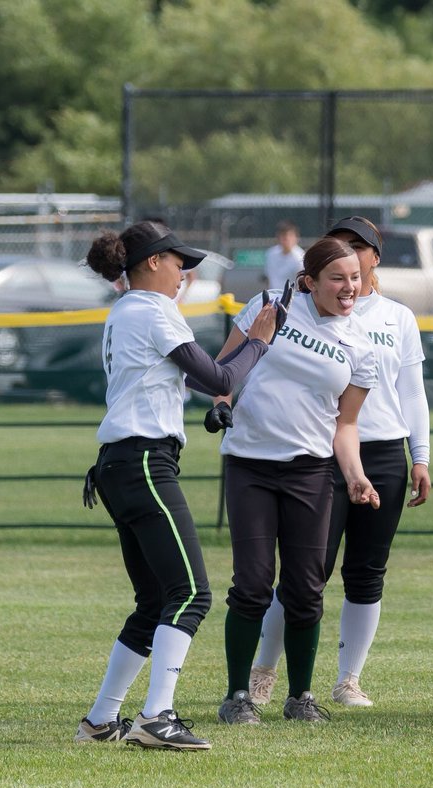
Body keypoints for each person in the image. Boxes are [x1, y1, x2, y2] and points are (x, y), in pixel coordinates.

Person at [76, 220, 278, 750]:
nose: (184, 272)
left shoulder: (124, 313)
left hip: (120, 464)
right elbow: (218, 378)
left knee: (153, 602)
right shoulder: (151, 309)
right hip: (144, 461)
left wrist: (211, 405)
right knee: (191, 594)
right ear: (149, 264)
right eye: (176, 261)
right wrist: (258, 342)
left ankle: (101, 720)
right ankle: (156, 716)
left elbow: (186, 380)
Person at [249, 216, 432, 709]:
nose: (349, 256)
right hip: (322, 449)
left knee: (368, 571)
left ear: (375, 258)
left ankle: (348, 679)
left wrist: (420, 455)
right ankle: (263, 671)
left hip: (384, 451)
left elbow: (411, 391)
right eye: (339, 246)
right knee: (306, 573)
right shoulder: (306, 310)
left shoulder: (397, 317)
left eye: (359, 248)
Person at [206, 236, 380, 726]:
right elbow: (224, 372)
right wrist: (220, 405)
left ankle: (300, 697)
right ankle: (238, 696)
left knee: (305, 589)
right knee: (253, 584)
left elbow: (345, 426)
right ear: (309, 281)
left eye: (355, 278)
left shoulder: (361, 345)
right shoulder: (270, 308)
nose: (349, 288)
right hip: (250, 466)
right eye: (338, 278)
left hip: (310, 472)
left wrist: (356, 476)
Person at [264, 220, 304, 292]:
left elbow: (301, 284)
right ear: (278, 237)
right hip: (272, 296)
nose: (287, 239)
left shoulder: (300, 257)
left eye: (290, 235)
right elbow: (269, 279)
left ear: (296, 238)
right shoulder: (270, 254)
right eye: (283, 235)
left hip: (293, 298)